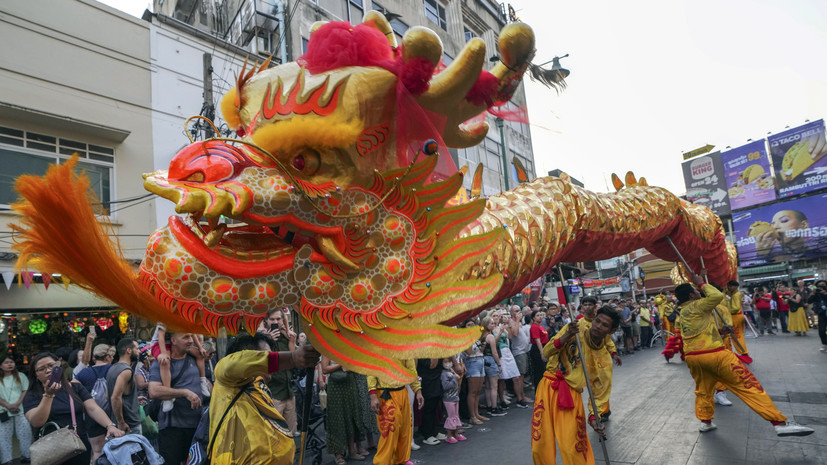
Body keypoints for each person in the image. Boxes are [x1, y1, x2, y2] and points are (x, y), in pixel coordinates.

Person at [676, 272, 813, 437]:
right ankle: (779, 422)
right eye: (696, 291)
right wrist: (701, 283)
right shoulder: (697, 305)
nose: (699, 293)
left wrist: (721, 332)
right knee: (748, 385)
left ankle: (705, 421)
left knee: (703, 390)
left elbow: (698, 335)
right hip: (715, 355)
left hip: (694, 357)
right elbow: (717, 295)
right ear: (692, 294)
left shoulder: (683, 313)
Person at [205, 331, 320, 465]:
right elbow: (232, 364)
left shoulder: (259, 385)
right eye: (265, 355)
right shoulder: (226, 376)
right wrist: (292, 358)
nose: (271, 359)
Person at [530, 307, 620, 465]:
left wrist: (593, 417)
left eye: (604, 325)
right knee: (540, 446)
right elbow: (546, 352)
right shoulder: (574, 328)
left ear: (611, 331)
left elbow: (600, 393)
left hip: (571, 396)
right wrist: (566, 335)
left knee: (572, 449)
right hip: (548, 388)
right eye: (597, 321)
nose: (598, 326)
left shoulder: (604, 361)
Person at [24, 353, 124, 465]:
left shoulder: (75, 387)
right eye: (41, 369)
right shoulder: (32, 396)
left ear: (59, 367)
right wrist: (48, 395)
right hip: (49, 450)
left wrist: (109, 425)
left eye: (51, 366)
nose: (48, 370)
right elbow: (36, 421)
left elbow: (93, 408)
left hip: (78, 446)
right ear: (35, 375)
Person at [148, 332, 205, 465]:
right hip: (172, 429)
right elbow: (153, 391)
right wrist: (185, 393)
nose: (190, 340)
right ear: (173, 340)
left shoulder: (195, 358)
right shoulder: (162, 362)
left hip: (197, 427)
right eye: (186, 337)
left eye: (191, 336)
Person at [368, 359, 424, 465]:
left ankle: (402, 459)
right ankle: (383, 462)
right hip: (385, 393)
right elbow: (371, 372)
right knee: (389, 430)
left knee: (405, 428)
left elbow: (411, 370)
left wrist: (418, 390)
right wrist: (373, 396)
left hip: (402, 392)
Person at [577, 296, 622, 423]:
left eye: (589, 304)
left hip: (601, 360)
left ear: (595, 306)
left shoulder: (602, 321)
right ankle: (594, 413)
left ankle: (604, 411)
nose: (587, 307)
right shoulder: (578, 324)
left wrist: (614, 353)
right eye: (584, 304)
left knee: (601, 387)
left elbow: (608, 340)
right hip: (585, 360)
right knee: (590, 388)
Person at [257, 309, 298, 436]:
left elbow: (293, 362)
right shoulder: (261, 339)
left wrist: (292, 341)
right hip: (273, 393)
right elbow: (263, 365)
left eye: (278, 319)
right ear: (266, 321)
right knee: (274, 434)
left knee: (291, 433)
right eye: (272, 319)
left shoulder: (287, 336)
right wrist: (268, 342)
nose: (276, 322)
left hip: (288, 391)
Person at [322, 355, 368, 463]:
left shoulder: (347, 345)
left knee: (351, 415)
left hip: (350, 383)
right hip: (335, 386)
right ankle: (338, 454)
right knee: (337, 418)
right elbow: (324, 369)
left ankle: (352, 451)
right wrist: (341, 364)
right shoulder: (328, 347)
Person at [74, 343, 115, 463]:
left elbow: (73, 389)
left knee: (97, 450)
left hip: (92, 416)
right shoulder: (114, 370)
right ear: (108, 357)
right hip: (112, 414)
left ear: (94, 358)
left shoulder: (83, 373)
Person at [0, 356, 31, 465]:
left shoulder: (20, 376)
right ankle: (7, 459)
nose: (9, 364)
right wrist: (8, 405)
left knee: (25, 434)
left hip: (20, 409)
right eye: (6, 362)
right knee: (4, 436)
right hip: (3, 411)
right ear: (0, 365)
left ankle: (26, 455)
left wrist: (17, 403)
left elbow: (25, 390)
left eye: (11, 362)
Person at [107, 338, 142, 435]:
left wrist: (134, 398)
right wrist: (121, 422)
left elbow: (107, 395)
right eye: (137, 349)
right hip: (129, 424)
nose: (139, 352)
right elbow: (115, 397)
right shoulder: (126, 371)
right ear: (129, 351)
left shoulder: (112, 368)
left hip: (117, 423)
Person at [461, 319, 487, 424]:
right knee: (472, 391)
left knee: (477, 391)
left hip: (480, 360)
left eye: (472, 324)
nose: (471, 326)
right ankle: (472, 416)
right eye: (468, 324)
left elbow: (480, 350)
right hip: (472, 362)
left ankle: (477, 414)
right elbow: (469, 351)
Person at [480, 315, 505, 417]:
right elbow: (495, 352)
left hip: (483, 360)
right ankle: (494, 408)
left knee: (487, 386)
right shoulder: (490, 336)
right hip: (491, 360)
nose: (494, 325)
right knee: (493, 386)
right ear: (486, 325)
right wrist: (499, 364)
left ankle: (489, 406)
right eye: (491, 323)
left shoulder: (481, 336)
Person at [417, 358, 445, 446]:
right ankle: (428, 435)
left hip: (436, 377)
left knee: (434, 406)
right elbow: (431, 365)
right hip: (427, 380)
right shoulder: (422, 350)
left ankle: (434, 431)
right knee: (428, 407)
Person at [724, 281, 751, 364]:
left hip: (735, 316)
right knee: (738, 335)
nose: (729, 288)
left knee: (737, 336)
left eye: (730, 286)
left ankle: (743, 352)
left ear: (735, 287)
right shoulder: (736, 294)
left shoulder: (735, 295)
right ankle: (743, 352)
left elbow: (735, 308)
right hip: (737, 316)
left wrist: (725, 311)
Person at [440, 357, 465, 444]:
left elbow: (457, 377)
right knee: (450, 417)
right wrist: (455, 379)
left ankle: (456, 434)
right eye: (445, 362)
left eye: (449, 361)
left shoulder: (451, 371)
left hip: (455, 397)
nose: (448, 363)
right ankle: (449, 435)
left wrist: (454, 374)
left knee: (455, 416)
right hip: (448, 398)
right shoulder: (443, 374)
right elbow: (446, 386)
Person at [529, 310, 549, 387]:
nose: (540, 317)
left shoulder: (540, 326)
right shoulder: (534, 327)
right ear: (533, 318)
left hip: (544, 347)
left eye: (541, 315)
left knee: (543, 370)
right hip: (538, 350)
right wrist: (542, 353)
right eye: (537, 315)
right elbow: (538, 340)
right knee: (539, 371)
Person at [809, 280, 827, 352]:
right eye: (819, 285)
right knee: (821, 330)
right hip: (821, 313)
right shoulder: (816, 293)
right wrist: (813, 293)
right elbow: (809, 301)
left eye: (823, 285)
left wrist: (825, 294)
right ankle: (824, 344)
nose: (821, 286)